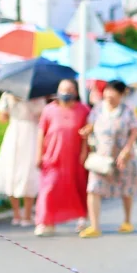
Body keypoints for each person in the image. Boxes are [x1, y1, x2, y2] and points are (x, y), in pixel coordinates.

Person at [80, 79, 137, 237]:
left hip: (123, 156)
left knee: (126, 189)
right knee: (93, 188)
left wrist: (126, 151)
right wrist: (86, 131)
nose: (109, 96)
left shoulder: (127, 110)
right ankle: (95, 226)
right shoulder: (98, 109)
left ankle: (127, 220)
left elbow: (134, 131)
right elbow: (91, 125)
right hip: (102, 157)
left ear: (121, 95)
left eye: (113, 93)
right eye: (107, 92)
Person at [34, 79, 89, 236]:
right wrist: (39, 154)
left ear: (76, 92)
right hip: (52, 156)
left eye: (70, 89)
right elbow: (41, 133)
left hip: (75, 157)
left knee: (78, 188)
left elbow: (87, 134)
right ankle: (45, 222)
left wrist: (85, 152)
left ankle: (82, 218)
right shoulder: (49, 110)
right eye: (63, 89)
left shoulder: (83, 110)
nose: (66, 93)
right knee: (49, 189)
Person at [0, 90, 44, 226]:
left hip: (20, 133)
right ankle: (22, 215)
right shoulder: (12, 95)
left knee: (25, 171)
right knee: (15, 171)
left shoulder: (14, 94)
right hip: (24, 133)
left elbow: (2, 118)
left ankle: (21, 215)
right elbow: (3, 117)